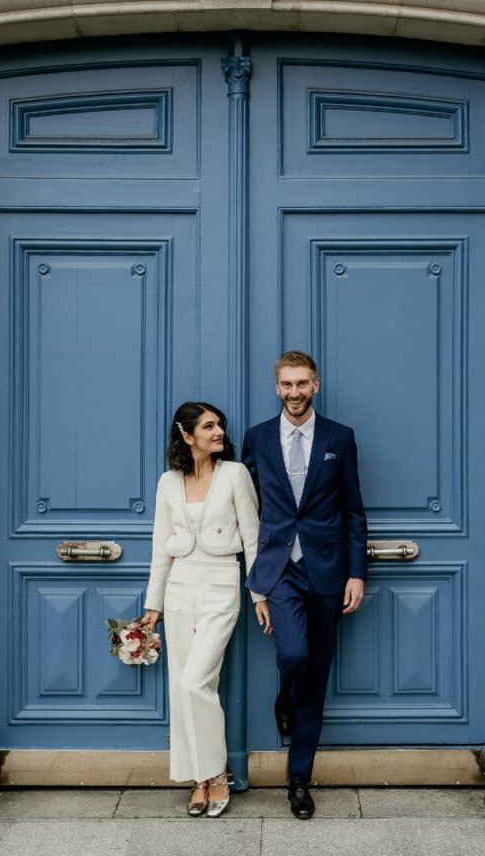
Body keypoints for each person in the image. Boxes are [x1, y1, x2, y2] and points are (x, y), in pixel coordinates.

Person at [243, 351, 368, 819]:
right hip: (279, 568)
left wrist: (356, 572)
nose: (294, 393)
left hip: (328, 569)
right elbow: (247, 510)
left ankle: (299, 779)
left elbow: (354, 510)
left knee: (317, 675)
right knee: (294, 655)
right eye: (286, 385)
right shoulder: (256, 439)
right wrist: (254, 583)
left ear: (315, 385)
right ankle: (284, 696)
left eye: (302, 384)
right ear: (276, 387)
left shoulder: (340, 437)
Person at [142, 402, 270, 818]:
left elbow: (253, 539)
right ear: (186, 434)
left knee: (196, 682)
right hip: (179, 589)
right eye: (209, 426)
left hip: (220, 584)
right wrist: (152, 605)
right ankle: (198, 779)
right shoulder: (167, 482)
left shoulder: (235, 474)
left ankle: (218, 774)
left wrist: (259, 595)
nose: (219, 432)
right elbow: (161, 546)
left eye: (220, 426)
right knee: (182, 687)